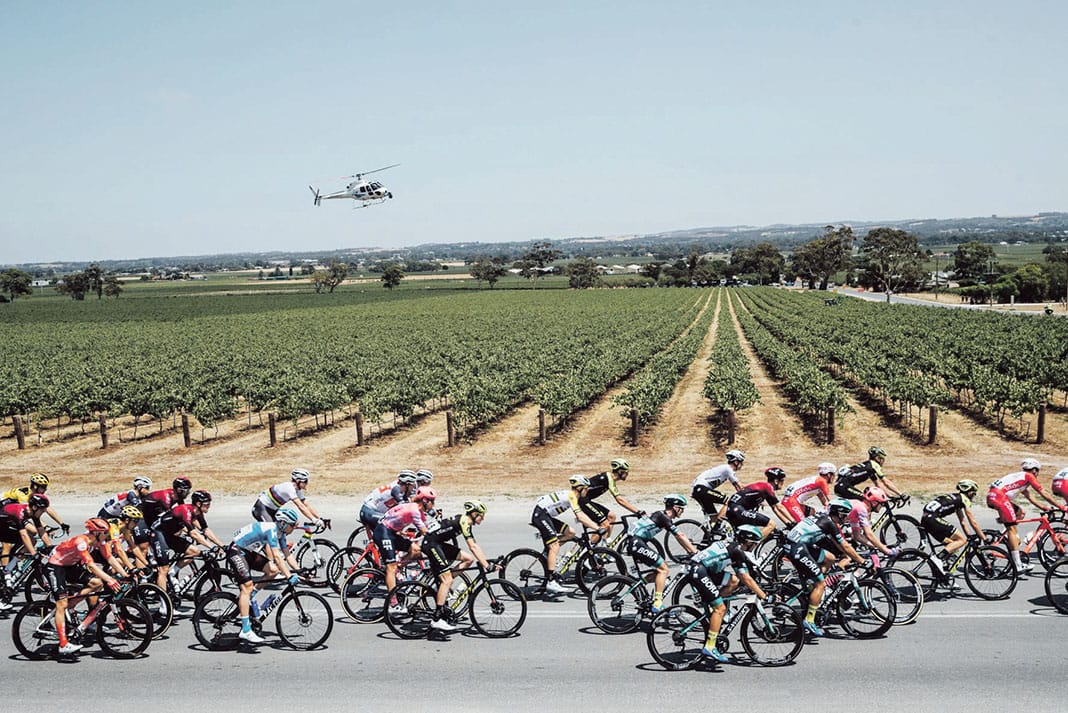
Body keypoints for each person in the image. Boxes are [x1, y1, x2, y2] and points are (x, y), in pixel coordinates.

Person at [783, 498, 866, 637]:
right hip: (797, 548)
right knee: (820, 583)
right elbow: (844, 546)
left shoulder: (823, 517)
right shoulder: (829, 523)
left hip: (797, 544)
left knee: (830, 558)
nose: (845, 518)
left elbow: (835, 544)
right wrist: (861, 561)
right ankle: (809, 620)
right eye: (844, 515)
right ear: (839, 513)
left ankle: (812, 587)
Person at [686, 524, 768, 663]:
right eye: (754, 544)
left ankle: (714, 605)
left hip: (706, 569)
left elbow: (741, 575)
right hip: (699, 571)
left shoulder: (734, 546)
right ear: (748, 542)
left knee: (733, 581)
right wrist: (763, 595)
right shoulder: (737, 550)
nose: (754, 547)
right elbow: (746, 578)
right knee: (721, 608)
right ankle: (710, 646)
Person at [44, 518, 122, 656]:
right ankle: (63, 644)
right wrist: (109, 579)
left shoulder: (98, 541)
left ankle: (71, 604)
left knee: (96, 584)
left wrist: (125, 573)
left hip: (70, 566)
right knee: (61, 603)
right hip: (55, 566)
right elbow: (91, 566)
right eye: (105, 533)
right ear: (97, 532)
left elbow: (109, 558)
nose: (108, 535)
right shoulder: (81, 542)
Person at [226, 505, 302, 643]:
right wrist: (289, 576)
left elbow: (287, 555)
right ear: (283, 523)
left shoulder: (281, 532)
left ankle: (251, 596)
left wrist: (299, 571)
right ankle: (246, 630)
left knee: (273, 570)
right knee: (246, 587)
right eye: (292, 525)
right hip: (236, 550)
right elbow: (278, 557)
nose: (294, 528)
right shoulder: (271, 530)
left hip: (248, 551)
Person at [421, 499, 497, 632]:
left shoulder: (465, 522)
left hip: (437, 543)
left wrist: (486, 562)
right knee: (448, 580)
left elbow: (475, 547)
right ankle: (437, 619)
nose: (483, 518)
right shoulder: (464, 521)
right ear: (473, 514)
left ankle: (444, 580)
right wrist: (487, 566)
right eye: (481, 515)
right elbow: (472, 546)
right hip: (431, 544)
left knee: (468, 559)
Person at [986, 458, 1066, 573]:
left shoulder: (1021, 478)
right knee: (1012, 528)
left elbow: (1030, 497)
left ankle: (1006, 536)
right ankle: (1018, 565)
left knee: (1020, 513)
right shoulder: (1029, 476)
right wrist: (1060, 506)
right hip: (1000, 497)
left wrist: (1044, 508)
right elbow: (1043, 493)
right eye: (1037, 471)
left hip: (993, 496)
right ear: (1034, 470)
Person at [530, 476, 604, 595]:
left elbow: (581, 515)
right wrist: (597, 528)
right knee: (554, 546)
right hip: (541, 515)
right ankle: (550, 581)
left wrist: (592, 524)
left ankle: (550, 549)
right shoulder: (571, 496)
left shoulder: (573, 496)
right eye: (586, 488)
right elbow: (580, 517)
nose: (588, 491)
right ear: (581, 489)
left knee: (570, 533)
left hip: (546, 515)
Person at [627, 494, 697, 613]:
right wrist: (695, 552)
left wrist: (689, 549)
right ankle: (657, 603)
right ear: (675, 507)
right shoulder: (663, 517)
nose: (683, 511)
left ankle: (637, 584)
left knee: (661, 572)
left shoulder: (660, 514)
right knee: (663, 569)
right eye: (682, 508)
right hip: (637, 543)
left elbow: (680, 538)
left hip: (637, 542)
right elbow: (680, 536)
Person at [151, 489, 226, 592]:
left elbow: (206, 530)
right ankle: (164, 606)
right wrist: (212, 547)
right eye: (207, 504)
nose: (209, 506)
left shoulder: (198, 513)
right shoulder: (186, 511)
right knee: (163, 569)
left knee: (194, 552)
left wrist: (222, 546)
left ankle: (172, 573)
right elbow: (193, 533)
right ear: (199, 504)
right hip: (158, 533)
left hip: (170, 535)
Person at [376, 486, 437, 608]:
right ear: (425, 501)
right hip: (383, 532)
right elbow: (425, 531)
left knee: (416, 551)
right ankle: (393, 603)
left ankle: (398, 568)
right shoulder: (414, 510)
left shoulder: (419, 511)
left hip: (392, 532)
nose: (434, 504)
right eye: (432, 501)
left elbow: (427, 528)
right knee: (391, 567)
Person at [921, 480, 986, 578]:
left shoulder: (956, 498)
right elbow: (973, 522)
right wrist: (984, 538)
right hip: (933, 519)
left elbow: (963, 522)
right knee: (961, 540)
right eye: (973, 493)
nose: (974, 496)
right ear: (969, 492)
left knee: (953, 545)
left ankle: (945, 576)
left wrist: (969, 536)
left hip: (926, 519)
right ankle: (937, 558)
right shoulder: (964, 500)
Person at [0, 493, 54, 610]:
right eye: (42, 510)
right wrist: (34, 554)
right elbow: (24, 535)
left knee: (33, 540)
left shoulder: (33, 513)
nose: (43, 512)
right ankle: (6, 572)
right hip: (2, 525)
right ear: (35, 508)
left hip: (5, 525)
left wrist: (51, 548)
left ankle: (8, 569)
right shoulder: (20, 512)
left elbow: (41, 531)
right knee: (28, 540)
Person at [578, 459, 643, 542]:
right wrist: (638, 511)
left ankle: (605, 545)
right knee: (604, 524)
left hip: (585, 501)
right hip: (582, 501)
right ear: (620, 471)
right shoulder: (608, 478)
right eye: (626, 472)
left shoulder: (609, 479)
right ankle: (591, 549)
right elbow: (620, 500)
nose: (627, 474)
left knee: (611, 517)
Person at [722, 467, 794, 540]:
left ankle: (744, 548)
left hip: (733, 509)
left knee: (743, 536)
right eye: (782, 481)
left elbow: (775, 509)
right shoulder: (768, 487)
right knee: (771, 524)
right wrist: (794, 522)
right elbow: (780, 507)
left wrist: (788, 523)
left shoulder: (763, 487)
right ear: (776, 481)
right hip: (738, 509)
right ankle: (752, 544)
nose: (783, 483)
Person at [690, 450, 745, 530]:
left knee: (713, 517)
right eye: (741, 462)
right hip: (701, 489)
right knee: (729, 502)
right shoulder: (728, 469)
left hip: (697, 490)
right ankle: (718, 525)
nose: (741, 465)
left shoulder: (726, 469)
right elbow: (740, 486)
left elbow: (737, 487)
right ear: (736, 462)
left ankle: (707, 538)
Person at [252, 468, 326, 526]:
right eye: (305, 481)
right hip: (261, 509)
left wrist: (319, 518)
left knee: (283, 529)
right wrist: (314, 520)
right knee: (270, 531)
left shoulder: (298, 490)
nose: (307, 483)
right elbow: (300, 506)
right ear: (298, 481)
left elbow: (306, 505)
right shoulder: (289, 488)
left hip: (272, 510)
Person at [1, 472, 69, 535]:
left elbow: (47, 508)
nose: (45, 490)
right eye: (43, 487)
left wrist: (62, 524)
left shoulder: (36, 496)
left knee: (34, 531)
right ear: (35, 486)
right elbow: (32, 514)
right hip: (3, 513)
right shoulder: (23, 495)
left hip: (12, 513)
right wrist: (46, 527)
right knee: (33, 531)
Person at [845, 486, 902, 559]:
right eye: (881, 503)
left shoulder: (859, 506)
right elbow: (869, 534)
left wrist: (878, 546)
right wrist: (887, 551)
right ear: (874, 503)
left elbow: (857, 536)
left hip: (830, 525)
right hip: (829, 526)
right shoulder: (861, 509)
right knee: (848, 558)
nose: (882, 506)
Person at [835, 446, 904, 500]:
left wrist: (890, 496)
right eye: (882, 458)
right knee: (866, 500)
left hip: (841, 486)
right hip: (844, 486)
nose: (883, 461)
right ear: (877, 458)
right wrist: (901, 494)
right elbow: (886, 482)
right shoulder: (874, 465)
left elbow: (878, 485)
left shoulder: (868, 467)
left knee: (863, 502)